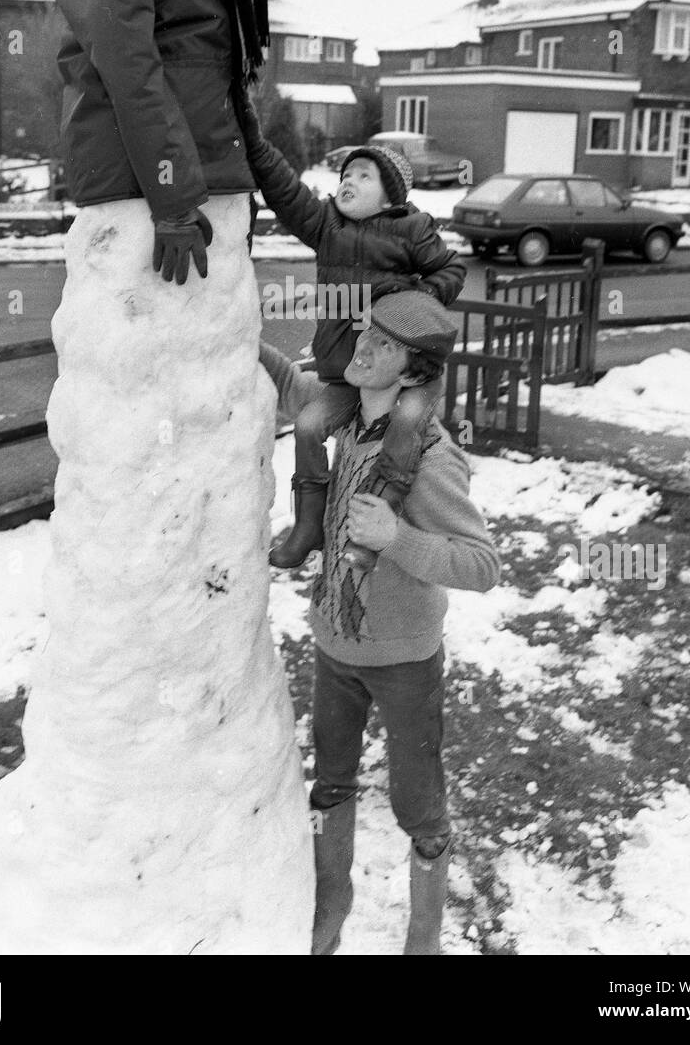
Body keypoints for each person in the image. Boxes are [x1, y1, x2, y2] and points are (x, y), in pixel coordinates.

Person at [259, 291, 501, 955]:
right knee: (329, 786)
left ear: (415, 371)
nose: (363, 347)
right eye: (367, 333)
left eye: (385, 345)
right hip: (336, 650)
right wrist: (238, 336)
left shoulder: (430, 454)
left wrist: (398, 538)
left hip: (403, 661)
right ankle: (328, 914)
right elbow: (291, 386)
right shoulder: (345, 419)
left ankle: (422, 939)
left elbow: (482, 565)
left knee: (417, 808)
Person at [244, 117, 466, 572]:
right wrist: (253, 142)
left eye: (364, 176)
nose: (350, 181)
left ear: (390, 194)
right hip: (352, 372)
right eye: (346, 175)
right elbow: (286, 193)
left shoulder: (412, 228)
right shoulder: (327, 226)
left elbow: (451, 271)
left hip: (409, 370)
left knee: (403, 431)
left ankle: (373, 532)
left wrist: (413, 302)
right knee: (307, 428)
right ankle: (309, 526)